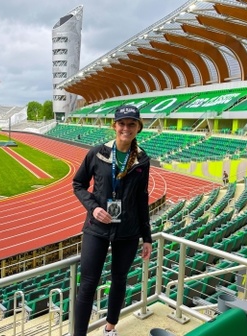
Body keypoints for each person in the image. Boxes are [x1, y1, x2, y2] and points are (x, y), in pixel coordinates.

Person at [72, 105, 153, 336]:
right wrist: (94, 208)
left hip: (128, 231)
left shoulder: (142, 160)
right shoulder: (97, 153)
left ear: (138, 127)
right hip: (96, 228)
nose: (126, 128)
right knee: (88, 284)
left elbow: (141, 198)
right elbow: (78, 184)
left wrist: (146, 237)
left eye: (131, 124)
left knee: (119, 280)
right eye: (122, 124)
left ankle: (110, 329)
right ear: (114, 126)